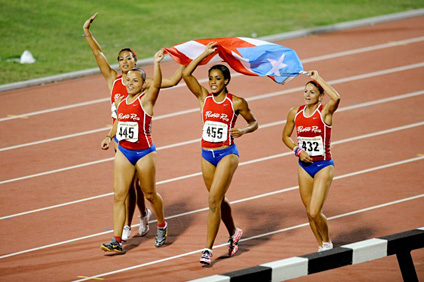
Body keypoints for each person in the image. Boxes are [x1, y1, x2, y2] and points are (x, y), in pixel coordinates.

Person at [83, 12, 184, 241]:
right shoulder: (113, 81)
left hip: (141, 142)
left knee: (142, 189)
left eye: (129, 59)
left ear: (135, 62)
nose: (125, 63)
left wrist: (186, 63)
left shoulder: (144, 83)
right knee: (125, 189)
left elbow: (169, 82)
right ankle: (125, 229)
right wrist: (87, 32)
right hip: (120, 141)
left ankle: (142, 216)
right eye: (121, 59)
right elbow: (98, 53)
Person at [182, 42, 258, 265]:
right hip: (207, 155)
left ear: (226, 81)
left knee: (213, 200)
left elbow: (254, 122)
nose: (213, 82)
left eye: (217, 78)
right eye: (210, 78)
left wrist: (243, 130)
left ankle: (207, 249)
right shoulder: (203, 98)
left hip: (227, 154)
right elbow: (187, 74)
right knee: (219, 200)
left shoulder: (236, 102)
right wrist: (204, 55)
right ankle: (234, 232)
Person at [100, 50, 168, 253]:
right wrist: (109, 136)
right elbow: (119, 122)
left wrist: (157, 64)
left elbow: (156, 85)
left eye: (134, 81)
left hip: (145, 153)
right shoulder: (121, 101)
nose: (129, 83)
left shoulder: (147, 100)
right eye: (128, 80)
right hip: (124, 151)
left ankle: (162, 225)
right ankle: (117, 240)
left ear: (143, 84)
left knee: (149, 193)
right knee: (118, 195)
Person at [282, 70, 340, 252]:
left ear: (321, 96)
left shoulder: (325, 112)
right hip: (304, 167)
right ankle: (321, 245)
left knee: (315, 211)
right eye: (305, 91)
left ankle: (328, 242)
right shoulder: (295, 113)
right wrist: (297, 150)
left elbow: (337, 98)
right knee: (308, 212)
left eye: (312, 92)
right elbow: (285, 136)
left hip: (323, 166)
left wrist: (317, 78)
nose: (307, 95)